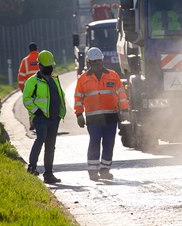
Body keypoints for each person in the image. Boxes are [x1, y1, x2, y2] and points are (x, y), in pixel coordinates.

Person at [74, 47, 130, 181]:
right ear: (89, 62)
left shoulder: (113, 76)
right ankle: (93, 171)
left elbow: (122, 95)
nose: (98, 64)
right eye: (94, 62)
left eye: (99, 61)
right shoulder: (83, 79)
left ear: (102, 61)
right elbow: (78, 98)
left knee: (109, 143)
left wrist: (125, 110)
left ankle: (105, 170)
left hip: (110, 117)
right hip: (93, 119)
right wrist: (79, 115)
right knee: (94, 143)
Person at [23, 50, 66, 184]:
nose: (49, 69)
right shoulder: (32, 81)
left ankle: (48, 174)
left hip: (54, 117)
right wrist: (37, 111)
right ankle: (32, 167)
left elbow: (60, 95)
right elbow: (26, 99)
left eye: (50, 66)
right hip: (40, 118)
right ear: (40, 66)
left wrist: (60, 113)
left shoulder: (54, 79)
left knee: (50, 146)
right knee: (40, 139)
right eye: (47, 67)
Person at [17, 42, 40, 131]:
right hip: (42, 87)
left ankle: (32, 121)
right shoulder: (41, 58)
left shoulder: (25, 61)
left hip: (30, 88)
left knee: (31, 105)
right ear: (37, 48)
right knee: (43, 104)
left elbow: (21, 76)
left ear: (29, 50)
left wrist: (23, 89)